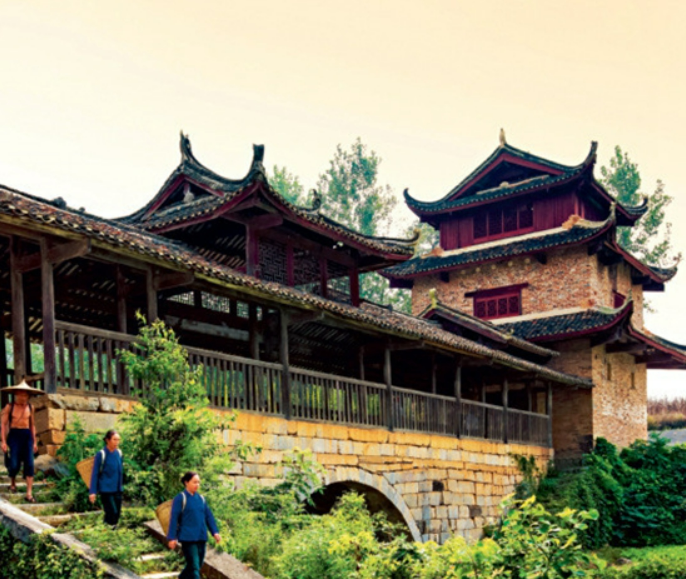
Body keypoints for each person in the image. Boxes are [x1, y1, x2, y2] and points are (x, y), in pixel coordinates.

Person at [167, 471, 221, 579]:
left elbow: (208, 516)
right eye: (194, 482)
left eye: (198, 482)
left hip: (201, 536)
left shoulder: (201, 499)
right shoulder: (181, 498)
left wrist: (215, 532)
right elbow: (174, 518)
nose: (197, 485)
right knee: (194, 567)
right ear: (186, 482)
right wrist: (172, 537)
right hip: (188, 538)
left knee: (196, 565)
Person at [0, 380, 41, 503]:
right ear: (16, 394)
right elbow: (3, 424)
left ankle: (29, 493)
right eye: (20, 395)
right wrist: (3, 442)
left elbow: (32, 425)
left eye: (25, 395)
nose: (23, 397)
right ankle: (12, 482)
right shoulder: (9, 407)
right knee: (14, 464)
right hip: (14, 435)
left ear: (28, 395)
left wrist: (34, 442)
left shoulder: (30, 407)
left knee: (29, 463)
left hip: (26, 435)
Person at [89, 429, 124, 527]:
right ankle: (110, 531)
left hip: (117, 489)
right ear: (107, 440)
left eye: (118, 440)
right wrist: (93, 492)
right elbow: (95, 473)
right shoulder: (101, 454)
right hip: (106, 489)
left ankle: (106, 529)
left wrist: (121, 487)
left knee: (117, 514)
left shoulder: (119, 453)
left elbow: (120, 472)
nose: (117, 442)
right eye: (114, 439)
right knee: (112, 512)